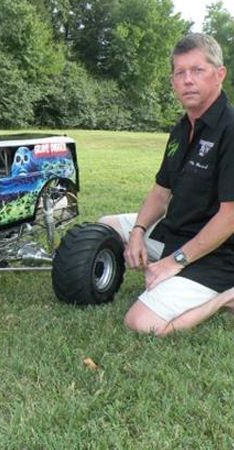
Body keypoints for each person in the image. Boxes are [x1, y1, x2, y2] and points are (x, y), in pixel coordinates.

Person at [99, 33, 234, 336]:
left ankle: (225, 297)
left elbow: (230, 217)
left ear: (219, 74)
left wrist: (174, 263)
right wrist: (137, 232)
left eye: (197, 70)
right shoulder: (181, 128)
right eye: (179, 72)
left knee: (142, 322)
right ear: (173, 81)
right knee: (105, 226)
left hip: (218, 254)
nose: (187, 80)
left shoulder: (230, 130)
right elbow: (161, 192)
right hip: (174, 233)